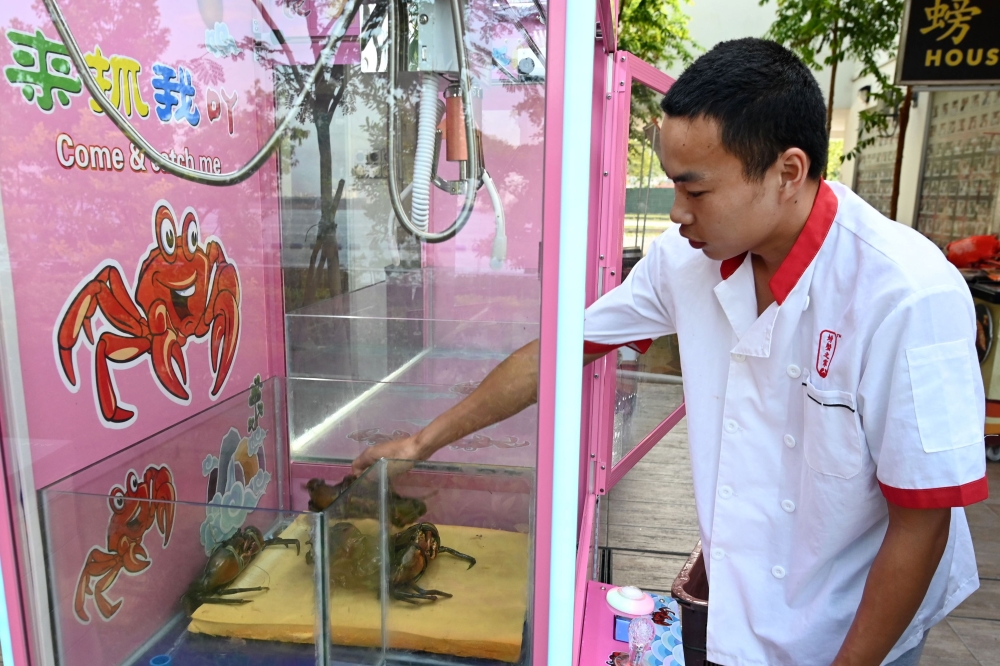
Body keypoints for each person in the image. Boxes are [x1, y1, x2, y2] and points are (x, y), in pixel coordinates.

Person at [353, 38, 987, 666]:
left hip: (860, 624)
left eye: (697, 190)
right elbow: (556, 353)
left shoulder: (905, 294)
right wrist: (421, 443)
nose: (677, 212)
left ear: (788, 173)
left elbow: (922, 517)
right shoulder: (686, 259)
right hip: (740, 600)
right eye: (670, 186)